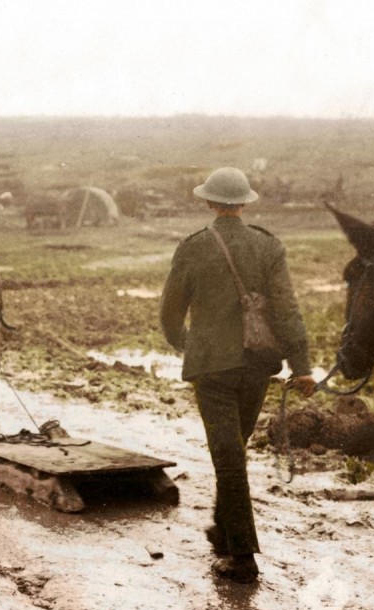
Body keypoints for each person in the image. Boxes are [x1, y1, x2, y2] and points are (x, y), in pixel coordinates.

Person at [161, 166, 316, 584]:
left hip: (212, 367)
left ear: (210, 202)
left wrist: (186, 343)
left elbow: (170, 314)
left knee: (228, 457)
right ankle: (222, 529)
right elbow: (286, 309)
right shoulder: (268, 246)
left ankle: (242, 557)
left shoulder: (192, 247)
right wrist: (301, 366)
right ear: (245, 203)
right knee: (234, 451)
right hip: (256, 365)